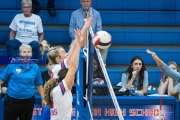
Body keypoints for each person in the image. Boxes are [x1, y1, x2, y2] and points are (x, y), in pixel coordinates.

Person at [44, 29, 83, 119]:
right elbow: (73, 66)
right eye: (63, 52)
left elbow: (71, 54)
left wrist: (78, 42)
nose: (73, 80)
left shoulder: (58, 88)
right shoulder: (59, 88)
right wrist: (78, 45)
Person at [0, 44, 46, 120]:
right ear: (20, 54)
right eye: (24, 52)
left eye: (29, 52)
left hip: (28, 101)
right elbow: (1, 80)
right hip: (12, 101)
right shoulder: (12, 65)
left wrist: (43, 98)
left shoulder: (35, 67)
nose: (27, 53)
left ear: (31, 54)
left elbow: (39, 85)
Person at [69, 0, 108, 65]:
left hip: (92, 41)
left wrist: (93, 41)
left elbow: (99, 31)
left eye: (87, 1)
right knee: (71, 46)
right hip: (79, 40)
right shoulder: (74, 14)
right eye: (83, 1)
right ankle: (74, 69)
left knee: (104, 47)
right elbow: (71, 31)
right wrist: (79, 40)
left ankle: (100, 67)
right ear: (80, 2)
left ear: (90, 2)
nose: (85, 3)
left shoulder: (96, 14)